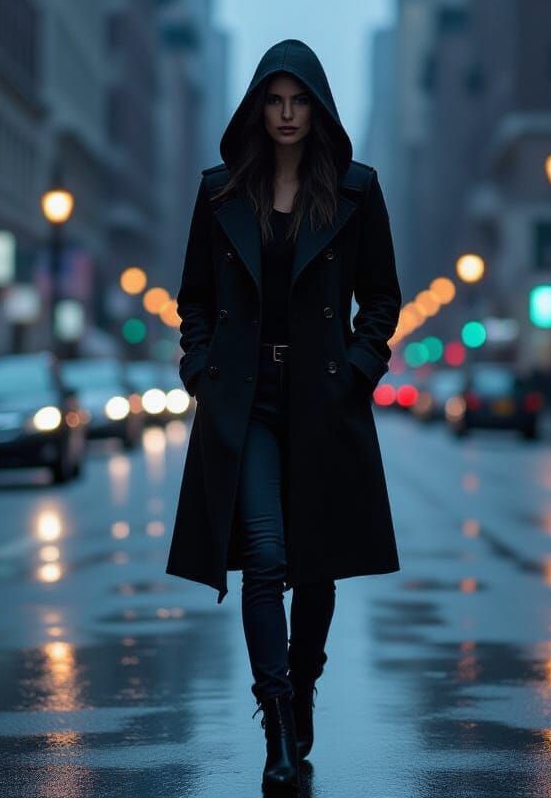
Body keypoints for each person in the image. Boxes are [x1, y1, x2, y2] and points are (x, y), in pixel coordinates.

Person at [166, 39, 402, 790]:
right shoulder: (218, 195)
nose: (288, 114)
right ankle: (276, 722)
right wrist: (200, 370)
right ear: (257, 109)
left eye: (300, 101)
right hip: (246, 399)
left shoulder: (357, 193)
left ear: (319, 108)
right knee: (264, 559)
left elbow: (383, 299)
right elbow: (194, 299)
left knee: (317, 563)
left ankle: (302, 694)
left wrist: (359, 371)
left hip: (322, 399)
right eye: (275, 100)